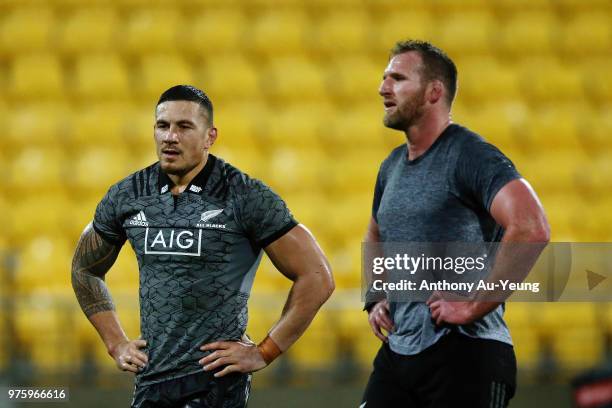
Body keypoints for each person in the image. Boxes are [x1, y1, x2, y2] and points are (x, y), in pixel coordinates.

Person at [71, 85, 334, 408]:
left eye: (184, 127)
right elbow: (85, 268)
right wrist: (116, 344)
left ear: (210, 136)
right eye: (162, 125)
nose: (170, 136)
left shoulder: (245, 196)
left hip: (215, 383)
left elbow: (318, 276)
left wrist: (264, 352)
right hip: (151, 381)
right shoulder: (129, 195)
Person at [361, 40, 550, 407]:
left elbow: (531, 226)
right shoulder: (392, 166)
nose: (383, 88)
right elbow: (375, 233)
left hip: (466, 353)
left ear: (434, 92)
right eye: (385, 78)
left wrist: (474, 305)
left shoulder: (471, 155)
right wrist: (376, 295)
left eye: (397, 78)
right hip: (400, 355)